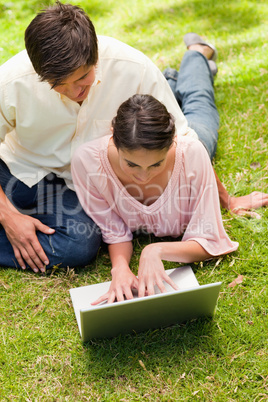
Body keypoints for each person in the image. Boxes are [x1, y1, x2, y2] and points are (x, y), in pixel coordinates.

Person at [0, 2, 266, 273]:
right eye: (58, 85)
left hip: (136, 151)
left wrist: (228, 200)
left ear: (95, 57)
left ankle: (196, 57)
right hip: (25, 171)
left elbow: (185, 137)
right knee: (80, 244)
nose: (71, 91)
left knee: (201, 134)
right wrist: (8, 216)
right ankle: (171, 82)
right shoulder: (12, 80)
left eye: (82, 79)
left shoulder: (133, 67)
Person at [71, 94, 239, 303]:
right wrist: (120, 268)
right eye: (132, 164)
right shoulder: (87, 162)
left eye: (156, 164)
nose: (143, 177)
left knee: (200, 106)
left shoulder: (192, 154)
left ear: (172, 142)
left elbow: (212, 241)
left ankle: (196, 62)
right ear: (113, 137)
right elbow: (114, 232)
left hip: (198, 141)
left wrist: (155, 250)